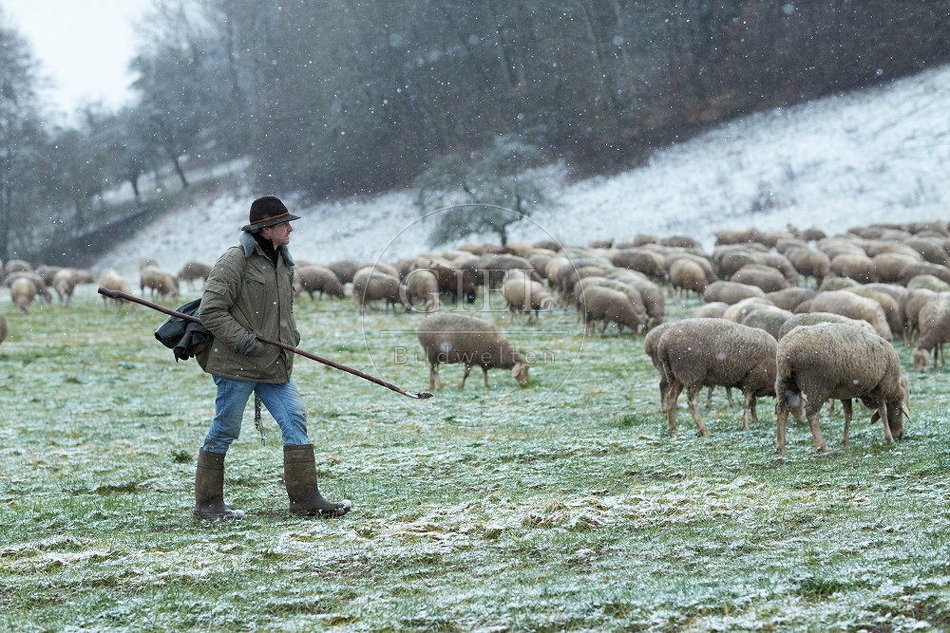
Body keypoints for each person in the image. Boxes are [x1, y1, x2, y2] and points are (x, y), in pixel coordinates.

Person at [192, 195, 352, 520]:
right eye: (284, 224)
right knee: (225, 430)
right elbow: (211, 310)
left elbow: (283, 310)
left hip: (274, 363)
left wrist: (290, 337)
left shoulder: (284, 261)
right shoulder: (234, 260)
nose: (291, 229)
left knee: (295, 421)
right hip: (237, 365)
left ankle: (306, 499)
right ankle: (208, 505)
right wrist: (243, 341)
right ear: (266, 229)